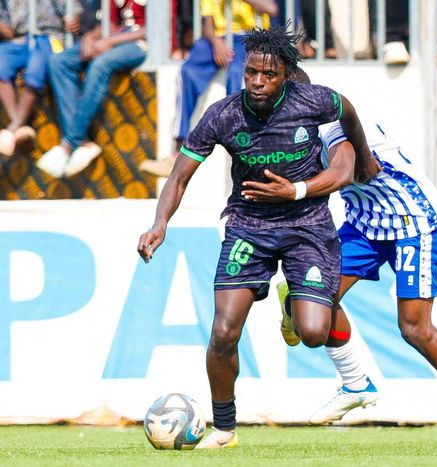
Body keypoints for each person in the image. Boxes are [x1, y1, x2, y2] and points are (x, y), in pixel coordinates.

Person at [137, 25, 377, 449]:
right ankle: (225, 428)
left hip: (307, 227)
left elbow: (350, 114)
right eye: (251, 73)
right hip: (248, 227)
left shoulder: (314, 100)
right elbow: (179, 176)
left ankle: (293, 301)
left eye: (268, 75)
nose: (257, 82)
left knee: (314, 333)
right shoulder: (223, 114)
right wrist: (160, 223)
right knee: (224, 332)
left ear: (285, 75)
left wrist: (364, 158)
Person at [241, 73, 437, 452]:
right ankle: (355, 383)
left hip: (412, 220)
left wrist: (294, 190)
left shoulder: (331, 124)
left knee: (414, 328)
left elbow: (347, 170)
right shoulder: (290, 131)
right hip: (363, 223)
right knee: (316, 297)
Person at [138, 0, 278, 178]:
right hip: (217, 38)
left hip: (251, 37)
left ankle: (244, 147)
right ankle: (177, 153)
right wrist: (216, 42)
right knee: (186, 72)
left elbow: (272, 9)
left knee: (239, 73)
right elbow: (207, 21)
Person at [36, 0, 147, 178]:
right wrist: (90, 37)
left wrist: (110, 40)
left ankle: (69, 143)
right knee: (59, 62)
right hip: (116, 38)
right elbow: (110, 23)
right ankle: (81, 142)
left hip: (143, 44)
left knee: (99, 65)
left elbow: (158, 28)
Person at [0, 0, 82, 158]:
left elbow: (73, 11)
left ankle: (13, 128)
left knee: (37, 64)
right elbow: (10, 32)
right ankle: (19, 126)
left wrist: (73, 21)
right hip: (21, 40)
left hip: (51, 37)